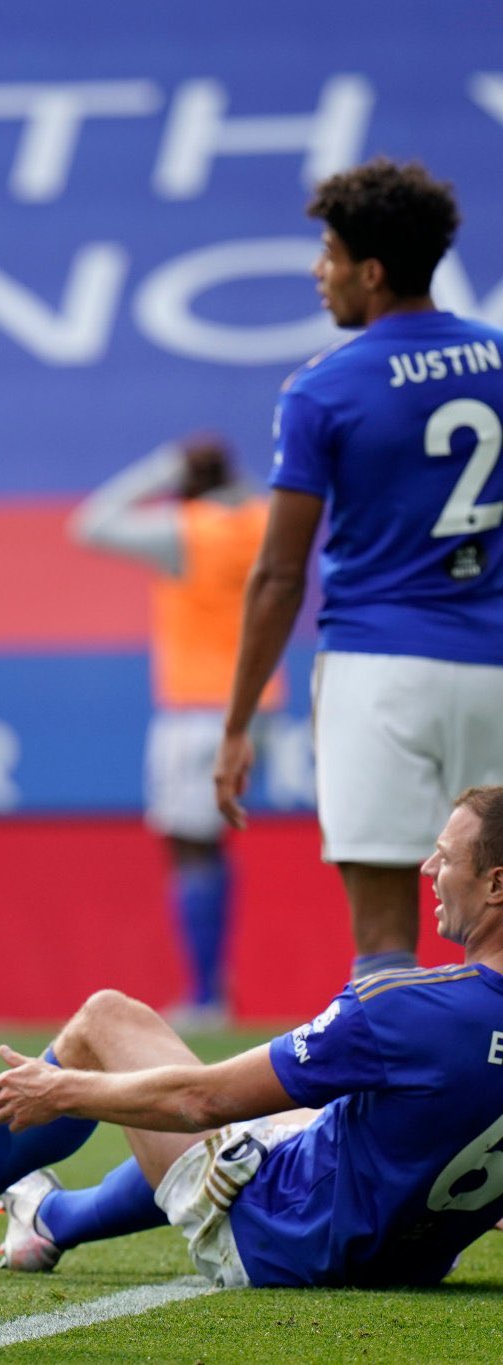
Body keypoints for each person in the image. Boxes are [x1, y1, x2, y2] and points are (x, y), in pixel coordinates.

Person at [0, 785, 503, 1289]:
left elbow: (201, 1102)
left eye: (445, 858)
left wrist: (60, 1091)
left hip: (280, 1241)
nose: (428, 868)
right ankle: (50, 1220)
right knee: (305, 1116)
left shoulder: (404, 1006)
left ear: (496, 884)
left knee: (105, 1020)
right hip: (407, 1264)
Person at [216, 159, 503, 983]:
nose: (320, 272)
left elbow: (280, 575)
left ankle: (397, 1069)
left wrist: (237, 724)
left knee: (384, 939)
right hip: (493, 663)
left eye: (330, 254)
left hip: (380, 671)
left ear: (370, 272)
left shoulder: (323, 388)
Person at [71, 435, 282, 1026]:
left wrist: (162, 468)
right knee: (208, 842)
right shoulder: (262, 521)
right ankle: (212, 988)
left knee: (190, 845)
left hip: (198, 707)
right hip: (256, 701)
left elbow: (90, 523)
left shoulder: (187, 532)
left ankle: (207, 994)